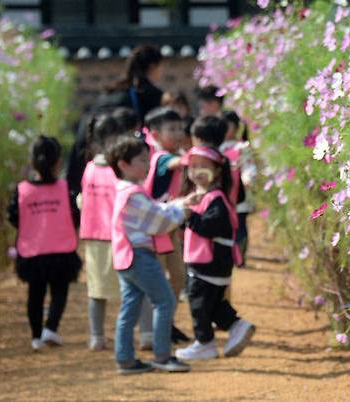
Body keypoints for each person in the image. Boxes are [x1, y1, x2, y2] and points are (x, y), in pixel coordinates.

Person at [106, 135, 198, 374]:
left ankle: (125, 359)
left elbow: (156, 210)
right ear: (123, 164)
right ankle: (162, 355)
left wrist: (178, 205)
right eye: (141, 160)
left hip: (125, 256)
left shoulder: (123, 190)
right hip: (139, 256)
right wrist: (181, 213)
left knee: (130, 305)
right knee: (165, 301)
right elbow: (158, 222)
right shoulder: (134, 193)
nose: (147, 164)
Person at [175, 144, 256, 361]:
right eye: (193, 167)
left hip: (209, 261)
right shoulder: (203, 196)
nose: (197, 171)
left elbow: (210, 227)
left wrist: (190, 216)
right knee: (211, 302)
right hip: (208, 261)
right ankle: (236, 325)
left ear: (217, 170)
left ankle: (204, 342)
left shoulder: (215, 198)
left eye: (203, 166)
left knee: (199, 301)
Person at [7, 135, 82, 351]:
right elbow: (76, 214)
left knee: (35, 294)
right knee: (60, 291)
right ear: (58, 162)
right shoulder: (65, 190)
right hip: (61, 250)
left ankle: (35, 337)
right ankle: (51, 328)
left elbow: (13, 216)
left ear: (32, 162)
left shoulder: (22, 190)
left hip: (32, 251)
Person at [67, 44, 167, 194]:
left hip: (85, 150)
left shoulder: (113, 91)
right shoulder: (150, 95)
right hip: (116, 166)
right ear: (153, 66)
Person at [141, 106, 190, 345]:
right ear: (156, 134)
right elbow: (177, 164)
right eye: (172, 129)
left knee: (179, 276)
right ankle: (152, 331)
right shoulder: (162, 158)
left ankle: (166, 323)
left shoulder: (176, 153)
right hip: (155, 230)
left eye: (180, 127)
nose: (179, 132)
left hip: (169, 228)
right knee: (159, 279)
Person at [79, 114, 125, 351]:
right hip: (119, 237)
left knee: (96, 290)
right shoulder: (119, 171)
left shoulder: (88, 169)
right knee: (130, 290)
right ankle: (140, 334)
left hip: (93, 236)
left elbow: (82, 200)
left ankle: (97, 336)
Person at [220, 110, 257, 267]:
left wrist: (247, 178)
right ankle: (229, 255)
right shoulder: (218, 147)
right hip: (223, 194)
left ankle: (240, 258)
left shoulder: (242, 147)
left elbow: (249, 166)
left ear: (235, 127)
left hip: (240, 193)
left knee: (240, 225)